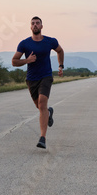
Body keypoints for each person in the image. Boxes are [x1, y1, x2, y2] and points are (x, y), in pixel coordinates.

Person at [12, 16, 64, 149]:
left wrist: (60, 66)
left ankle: (42, 138)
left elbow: (60, 50)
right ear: (30, 27)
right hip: (31, 79)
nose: (35, 25)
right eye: (33, 23)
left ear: (42, 26)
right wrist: (26, 61)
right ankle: (49, 112)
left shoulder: (50, 41)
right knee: (41, 108)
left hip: (46, 76)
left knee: (42, 103)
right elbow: (14, 61)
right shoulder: (24, 43)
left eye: (37, 23)